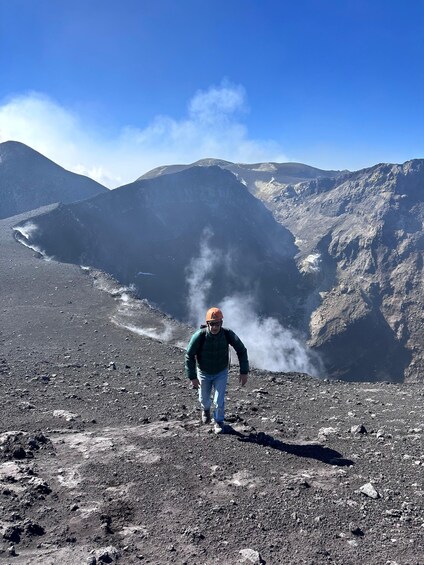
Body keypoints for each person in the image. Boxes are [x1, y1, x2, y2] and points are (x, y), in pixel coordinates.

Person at [185, 307, 249, 434]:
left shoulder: (227, 334)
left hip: (221, 372)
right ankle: (206, 410)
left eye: (217, 324)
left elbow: (241, 350)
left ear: (221, 323)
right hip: (203, 372)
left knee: (219, 400)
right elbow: (189, 356)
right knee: (204, 399)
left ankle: (219, 422)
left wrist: (244, 371)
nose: (215, 327)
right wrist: (192, 377)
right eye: (212, 324)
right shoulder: (199, 336)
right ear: (208, 324)